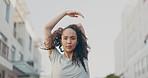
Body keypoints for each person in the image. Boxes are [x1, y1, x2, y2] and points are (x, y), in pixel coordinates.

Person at [43, 10, 90, 78]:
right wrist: (64, 13)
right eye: (65, 38)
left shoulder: (82, 57)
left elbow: (80, 26)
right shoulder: (55, 57)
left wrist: (70, 28)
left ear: (77, 41)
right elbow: (47, 28)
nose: (69, 41)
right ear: (61, 41)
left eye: (73, 38)